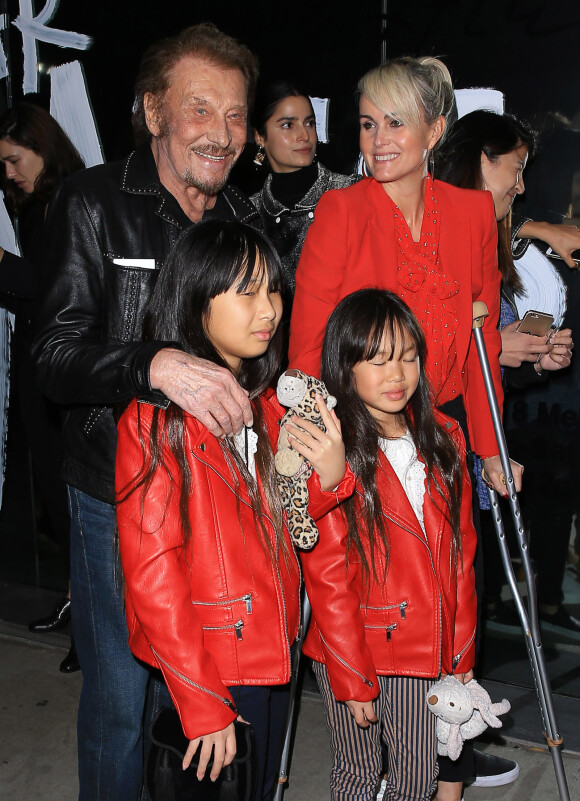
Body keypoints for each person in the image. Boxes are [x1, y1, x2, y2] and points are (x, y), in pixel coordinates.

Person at [32, 24, 266, 801]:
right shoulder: (92, 201)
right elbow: (54, 357)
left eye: (236, 115)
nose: (221, 133)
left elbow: (264, 359)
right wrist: (153, 362)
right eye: (201, 108)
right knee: (122, 704)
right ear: (154, 111)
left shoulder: (247, 219)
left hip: (221, 503)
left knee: (201, 700)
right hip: (113, 493)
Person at [288, 56, 520, 799]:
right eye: (366, 123)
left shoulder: (472, 213)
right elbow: (306, 349)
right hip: (362, 438)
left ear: (436, 128)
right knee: (374, 610)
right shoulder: (343, 212)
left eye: (396, 121)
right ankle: (377, 766)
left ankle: (440, 778)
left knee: (451, 617)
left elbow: (483, 350)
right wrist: (317, 451)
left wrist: (488, 449)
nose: (379, 138)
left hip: (441, 439)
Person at [115, 220, 350, 800]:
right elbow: (151, 574)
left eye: (272, 288)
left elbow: (285, 522)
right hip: (212, 663)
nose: (268, 308)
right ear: (195, 302)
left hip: (272, 654)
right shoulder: (154, 423)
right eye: (245, 291)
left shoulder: (268, 405)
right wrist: (200, 697)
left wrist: (331, 475)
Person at [300, 288, 477, 801]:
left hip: (428, 648)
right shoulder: (336, 450)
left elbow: (460, 556)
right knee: (357, 773)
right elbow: (327, 576)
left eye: (407, 356)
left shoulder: (444, 437)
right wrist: (352, 676)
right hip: (362, 646)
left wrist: (460, 651)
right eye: (377, 361)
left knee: (417, 776)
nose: (396, 374)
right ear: (344, 367)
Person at [437, 109, 577, 634]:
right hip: (431, 433)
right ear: (480, 160)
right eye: (514, 170)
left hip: (477, 434)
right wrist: (499, 349)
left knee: (461, 598)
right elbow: (425, 345)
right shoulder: (430, 228)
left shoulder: (494, 236)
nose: (521, 186)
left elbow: (491, 354)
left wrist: (531, 359)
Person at [0, 102, 85, 673]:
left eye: (13, 158)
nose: (8, 173)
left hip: (64, 376)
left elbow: (55, 289)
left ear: (40, 145)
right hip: (38, 371)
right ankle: (79, 607)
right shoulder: (35, 204)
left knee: (74, 505)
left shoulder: (74, 201)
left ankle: (92, 628)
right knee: (56, 504)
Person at [250, 82, 358, 296]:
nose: (304, 135)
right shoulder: (249, 214)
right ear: (260, 136)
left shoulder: (352, 192)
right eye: (288, 125)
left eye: (309, 123)